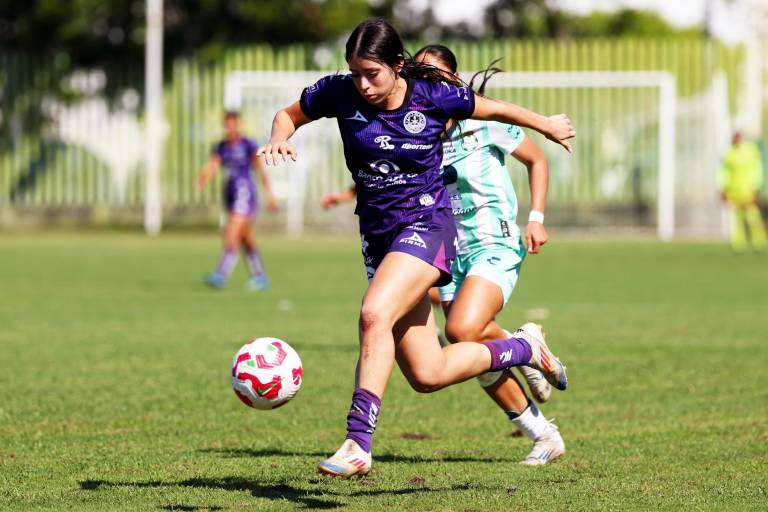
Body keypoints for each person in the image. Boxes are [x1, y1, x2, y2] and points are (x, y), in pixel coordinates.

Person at [258, 18, 574, 478]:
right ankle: (521, 349)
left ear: (398, 66)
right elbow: (288, 114)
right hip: (379, 237)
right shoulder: (338, 92)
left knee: (373, 314)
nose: (363, 84)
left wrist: (543, 124)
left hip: (427, 224)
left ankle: (357, 441)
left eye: (373, 74)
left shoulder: (433, 97)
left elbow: (497, 109)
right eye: (356, 73)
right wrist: (278, 137)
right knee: (428, 373)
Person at [415, 44, 562, 465]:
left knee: (462, 330)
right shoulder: (419, 133)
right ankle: (543, 434)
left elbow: (537, 161)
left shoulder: (486, 123)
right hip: (447, 254)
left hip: (493, 243)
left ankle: (525, 346)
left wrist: (535, 217)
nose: (429, 83)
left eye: (436, 75)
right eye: (421, 76)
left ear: (454, 81)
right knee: (471, 351)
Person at [196, 111, 278, 290]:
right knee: (245, 238)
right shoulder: (222, 147)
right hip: (231, 196)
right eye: (227, 124)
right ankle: (260, 276)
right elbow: (212, 164)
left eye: (233, 123)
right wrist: (203, 178)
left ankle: (221, 274)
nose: (230, 127)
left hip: (245, 194)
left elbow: (259, 169)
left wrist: (269, 193)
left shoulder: (247, 144)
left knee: (231, 230)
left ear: (238, 124)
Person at [719, 131, 766, 252]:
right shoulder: (729, 154)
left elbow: (757, 169)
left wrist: (756, 187)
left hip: (749, 189)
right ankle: (739, 243)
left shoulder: (750, 151)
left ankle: (759, 241)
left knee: (752, 215)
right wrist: (724, 187)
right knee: (738, 217)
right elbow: (724, 172)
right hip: (735, 190)